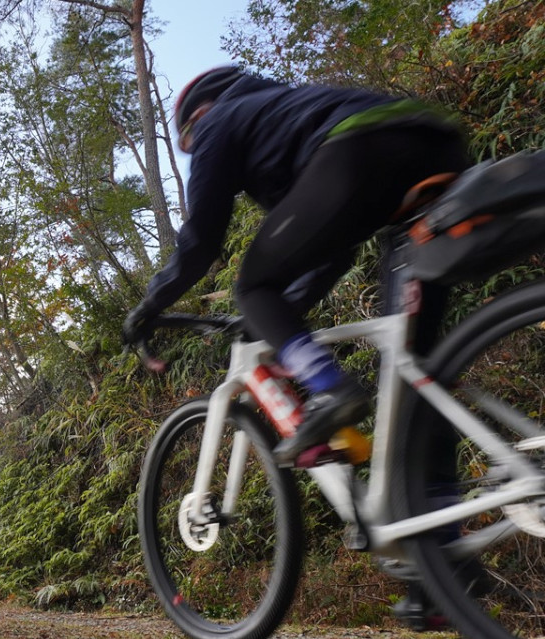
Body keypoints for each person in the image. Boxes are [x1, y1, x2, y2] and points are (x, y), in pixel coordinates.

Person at [121, 65, 470, 464]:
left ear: (199, 115)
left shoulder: (217, 121)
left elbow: (201, 240)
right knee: (414, 379)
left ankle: (331, 388)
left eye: (190, 143)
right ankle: (437, 515)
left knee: (252, 286)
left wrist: (151, 305)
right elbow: (332, 249)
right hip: (438, 145)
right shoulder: (287, 121)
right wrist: (279, 315)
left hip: (358, 148)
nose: (195, 150)